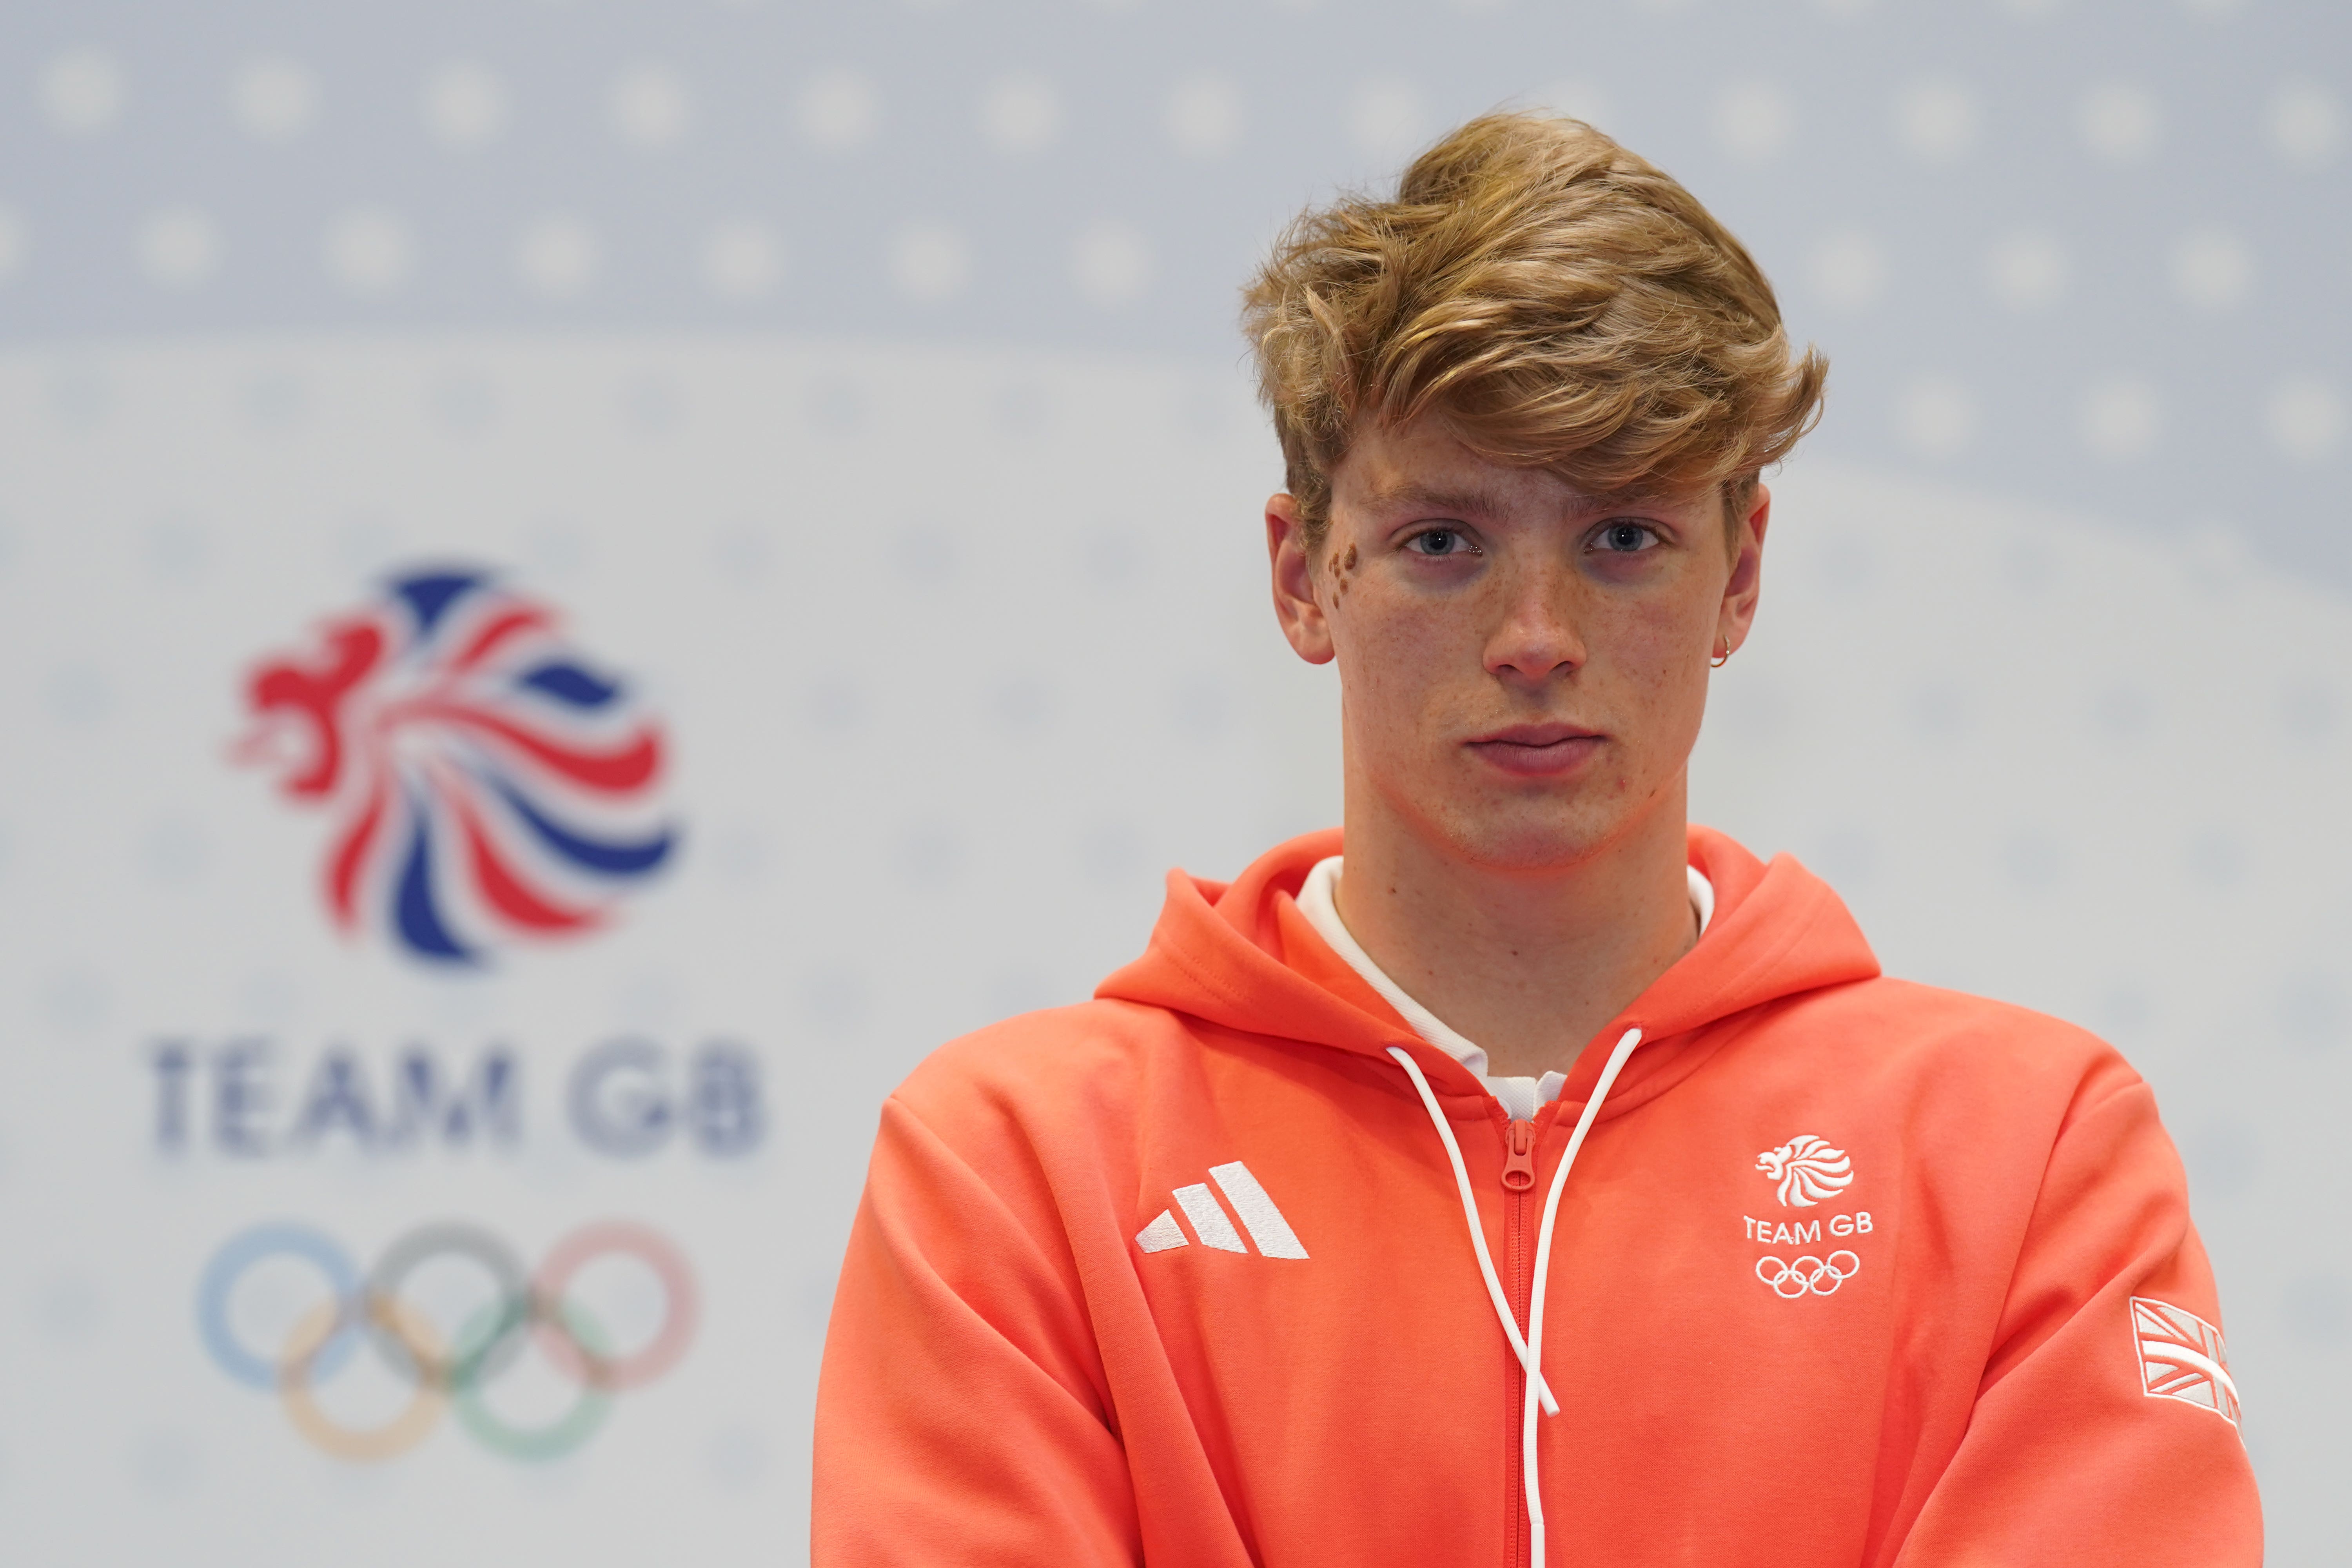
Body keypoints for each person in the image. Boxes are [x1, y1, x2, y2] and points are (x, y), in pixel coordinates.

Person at [812, 112, 2260, 1565]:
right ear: (1306, 577)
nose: (1535, 640)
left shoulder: (2027, 1150)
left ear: (1739, 574)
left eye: (1621, 538)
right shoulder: (1021, 1166)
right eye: (1446, 541)